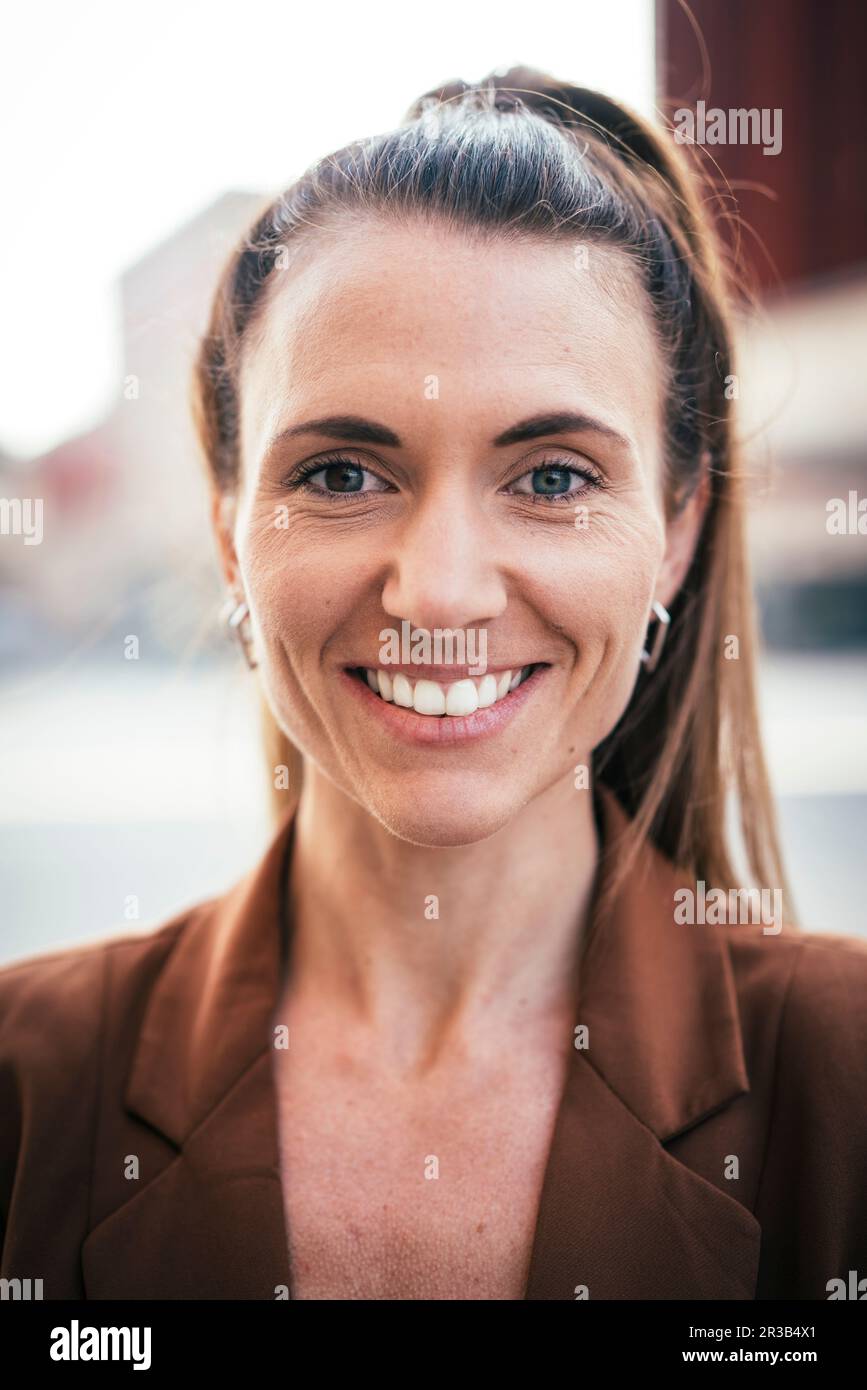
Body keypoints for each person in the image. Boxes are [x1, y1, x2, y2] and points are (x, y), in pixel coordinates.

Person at [2, 66, 866, 1302]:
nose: (442, 592)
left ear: (676, 527)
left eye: (555, 477)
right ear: (226, 524)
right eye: (346, 474)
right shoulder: (27, 1088)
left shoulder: (848, 1082)